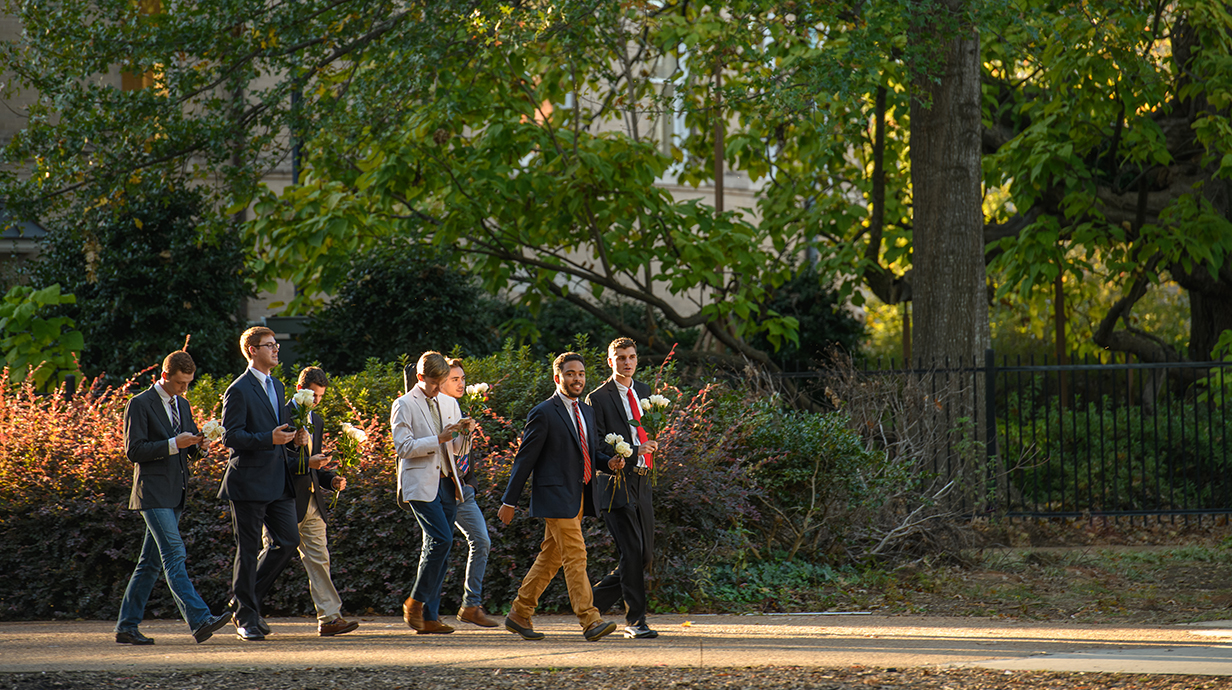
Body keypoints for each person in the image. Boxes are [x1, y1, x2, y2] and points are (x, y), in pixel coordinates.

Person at [497, 352, 620, 642]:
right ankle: (590, 620)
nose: (577, 378)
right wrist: (509, 500)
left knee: (551, 558)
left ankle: (519, 612)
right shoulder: (543, 412)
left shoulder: (587, 411)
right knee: (576, 555)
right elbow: (524, 460)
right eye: (570, 374)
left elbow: (588, 453)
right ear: (558, 378)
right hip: (554, 497)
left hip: (580, 495)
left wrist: (608, 463)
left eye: (580, 374)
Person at [115, 350, 230, 645]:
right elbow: (134, 451)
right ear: (164, 376)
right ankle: (200, 619)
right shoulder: (139, 404)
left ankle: (126, 626)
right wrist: (171, 444)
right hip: (152, 492)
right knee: (175, 554)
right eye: (180, 383)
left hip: (175, 491)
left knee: (150, 563)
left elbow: (187, 451)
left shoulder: (183, 403)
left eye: (188, 383)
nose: (184, 389)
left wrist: (200, 446)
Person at [218, 326, 301, 641]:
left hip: (278, 480)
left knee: (288, 542)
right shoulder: (238, 390)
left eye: (276, 344)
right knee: (249, 549)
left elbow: (280, 431)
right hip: (249, 481)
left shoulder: (277, 386)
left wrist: (295, 438)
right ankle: (246, 617)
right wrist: (270, 438)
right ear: (252, 350)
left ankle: (243, 600)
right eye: (269, 345)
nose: (276, 349)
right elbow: (231, 436)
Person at [390, 351, 474, 634]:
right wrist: (437, 438)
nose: (439, 389)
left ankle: (430, 616)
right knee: (441, 539)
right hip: (419, 484)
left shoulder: (448, 401)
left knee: (441, 546)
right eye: (434, 384)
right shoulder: (403, 404)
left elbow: (457, 450)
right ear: (420, 377)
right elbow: (403, 447)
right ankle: (414, 602)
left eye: (442, 383)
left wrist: (465, 434)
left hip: (447, 482)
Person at [274, 366, 360, 637]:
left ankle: (330, 618)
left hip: (312, 500)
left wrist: (330, 479)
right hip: (282, 500)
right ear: (300, 390)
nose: (317, 401)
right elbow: (272, 462)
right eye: (313, 395)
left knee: (320, 559)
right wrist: (307, 463)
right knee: (270, 559)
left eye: (321, 396)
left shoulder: (317, 420)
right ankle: (243, 608)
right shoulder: (279, 415)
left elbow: (314, 466)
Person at [586, 337, 660, 639]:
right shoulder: (598, 397)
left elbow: (648, 427)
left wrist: (651, 445)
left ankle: (588, 604)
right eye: (620, 358)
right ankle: (636, 621)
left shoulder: (643, 391)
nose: (626, 362)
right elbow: (598, 441)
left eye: (631, 356)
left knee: (644, 555)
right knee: (631, 551)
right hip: (615, 482)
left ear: (637, 359)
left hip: (643, 479)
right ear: (610, 361)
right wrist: (634, 449)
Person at [438, 358, 499, 627]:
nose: (461, 383)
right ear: (440, 382)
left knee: (481, 541)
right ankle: (426, 609)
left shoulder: (461, 409)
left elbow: (465, 454)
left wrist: (471, 482)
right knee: (436, 546)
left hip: (463, 490)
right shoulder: (435, 411)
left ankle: (470, 605)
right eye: (455, 379)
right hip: (439, 487)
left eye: (462, 378)